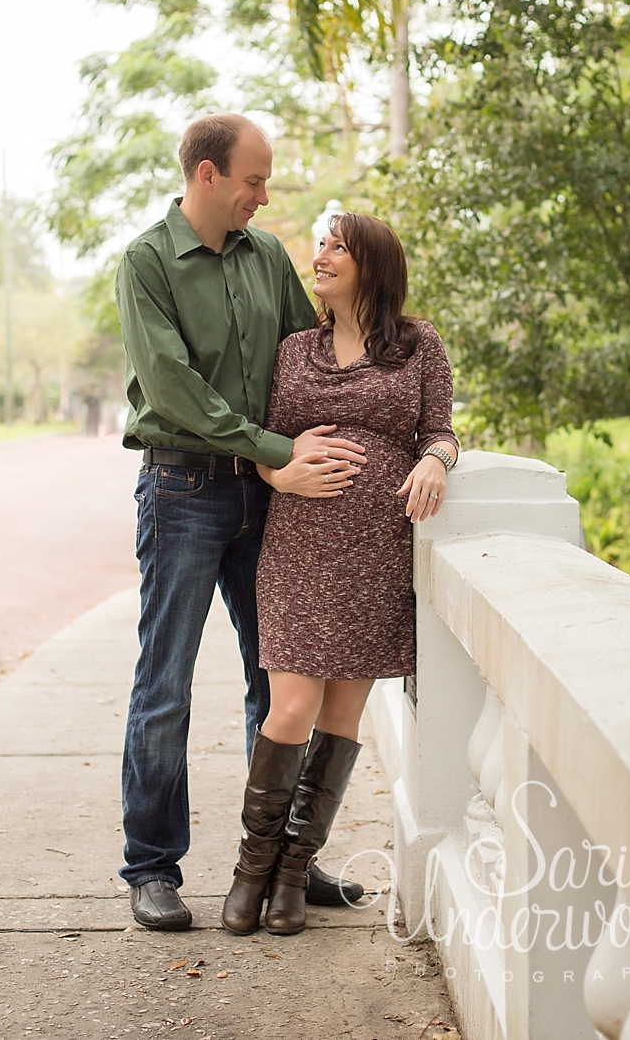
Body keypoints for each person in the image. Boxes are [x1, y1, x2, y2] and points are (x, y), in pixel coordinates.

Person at [115, 113, 371, 932]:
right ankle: (152, 867)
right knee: (166, 685)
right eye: (254, 181)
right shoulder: (147, 264)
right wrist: (268, 447)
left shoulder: (266, 258)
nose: (264, 196)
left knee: (282, 679)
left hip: (274, 497)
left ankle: (287, 859)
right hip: (185, 489)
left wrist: (418, 429)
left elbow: (311, 353)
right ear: (206, 176)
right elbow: (173, 386)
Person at [221, 212, 458, 937]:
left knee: (342, 716)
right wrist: (278, 473)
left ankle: (294, 876)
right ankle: (249, 873)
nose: (317, 256)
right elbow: (260, 436)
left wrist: (433, 460)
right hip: (297, 545)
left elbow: (440, 428)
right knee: (289, 706)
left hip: (376, 553)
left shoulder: (419, 345)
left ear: (371, 264)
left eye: (334, 247)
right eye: (319, 245)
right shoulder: (295, 349)